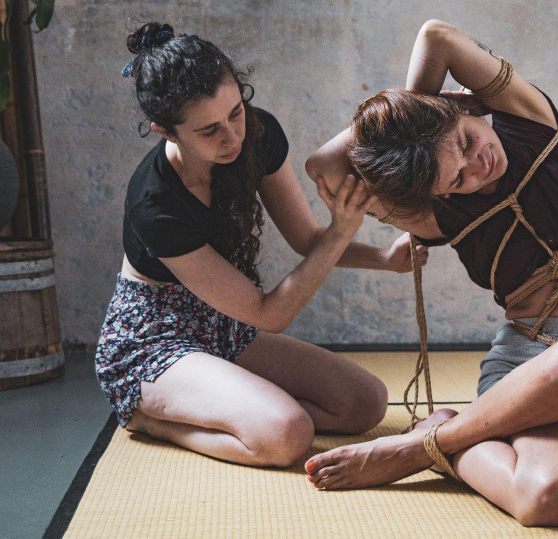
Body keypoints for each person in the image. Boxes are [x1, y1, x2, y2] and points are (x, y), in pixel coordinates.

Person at [303, 20, 558, 526]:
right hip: (520, 377)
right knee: (554, 499)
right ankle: (451, 433)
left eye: (467, 140)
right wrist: (416, 165)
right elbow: (322, 165)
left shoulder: (531, 122)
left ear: (467, 106)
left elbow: (436, 36)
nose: (479, 165)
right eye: (457, 177)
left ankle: (417, 448)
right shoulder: (443, 214)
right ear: (439, 193)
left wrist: (417, 113)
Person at [95, 22, 430, 468]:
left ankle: (237, 404)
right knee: (287, 435)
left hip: (220, 320)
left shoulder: (258, 135)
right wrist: (342, 230)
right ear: (166, 131)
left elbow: (308, 240)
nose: (232, 137)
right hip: (153, 337)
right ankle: (146, 414)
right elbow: (269, 313)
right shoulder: (154, 204)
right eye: (209, 130)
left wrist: (385, 259)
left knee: (365, 403)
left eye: (236, 112)